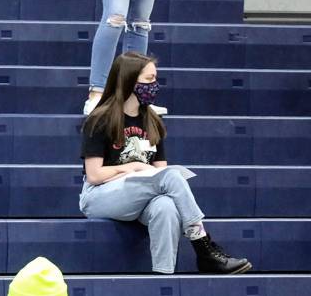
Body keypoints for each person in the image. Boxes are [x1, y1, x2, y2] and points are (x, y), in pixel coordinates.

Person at [80, 52, 251, 275]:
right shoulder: (100, 119)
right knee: (170, 177)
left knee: (166, 207)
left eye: (155, 79)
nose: (154, 85)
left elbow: (159, 173)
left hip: (138, 195)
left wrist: (143, 173)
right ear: (129, 81)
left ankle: (163, 277)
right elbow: (94, 175)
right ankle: (203, 246)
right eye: (149, 79)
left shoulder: (152, 121)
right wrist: (132, 168)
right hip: (99, 196)